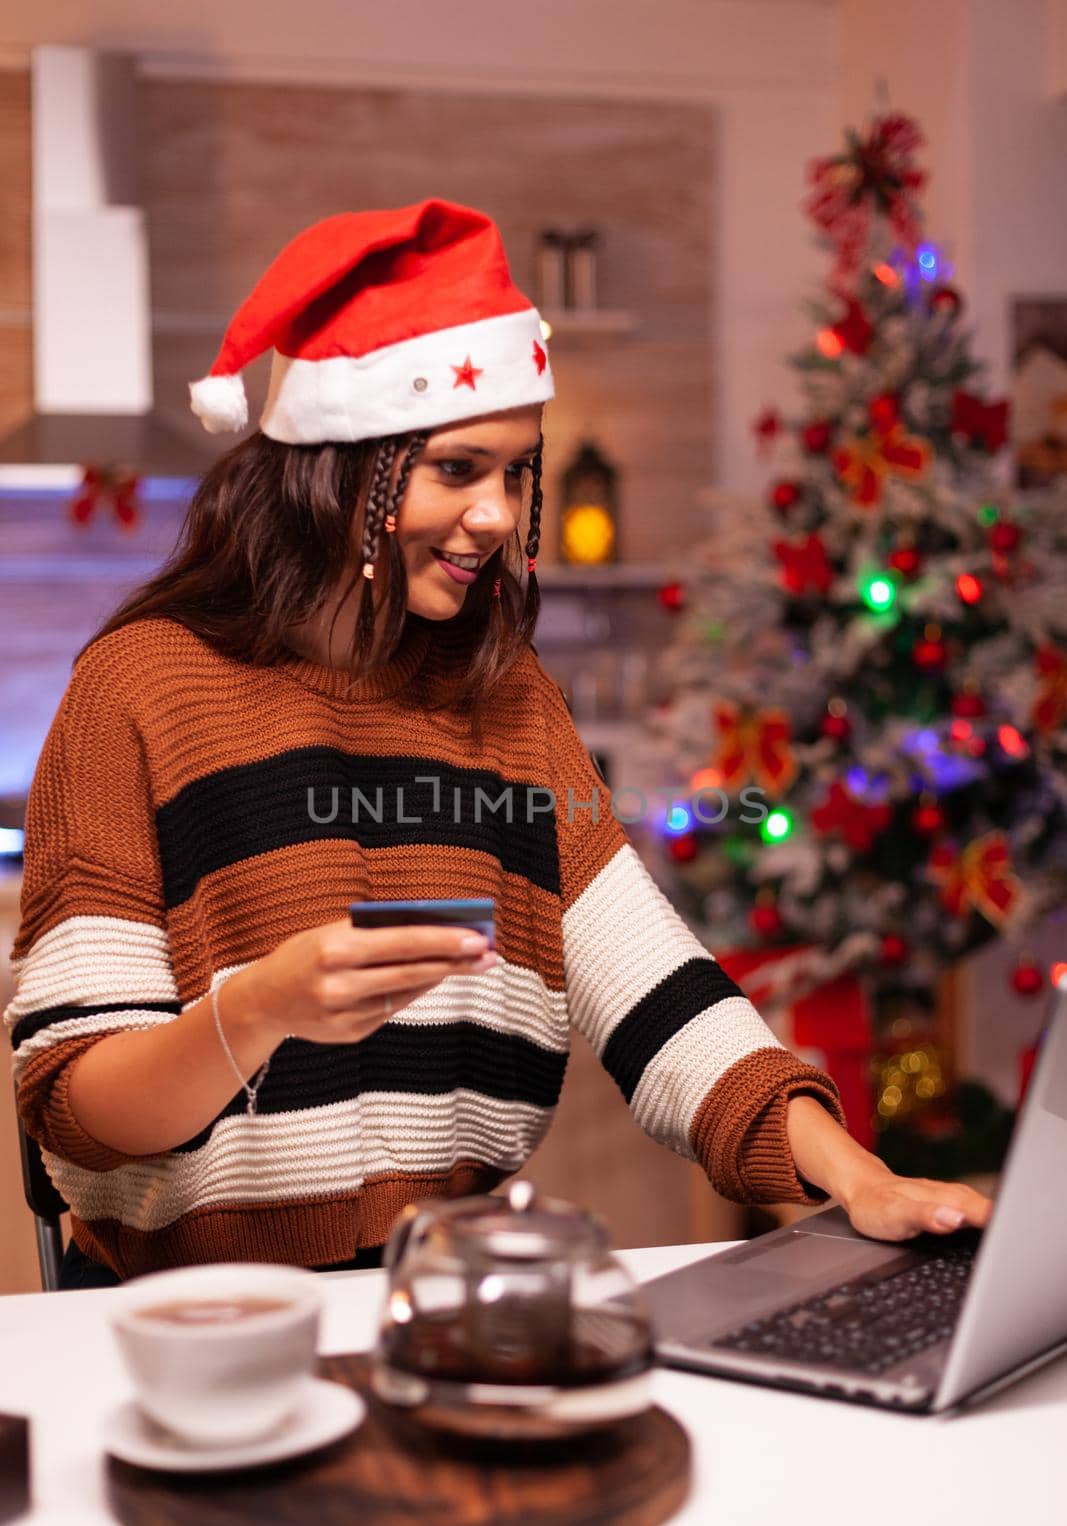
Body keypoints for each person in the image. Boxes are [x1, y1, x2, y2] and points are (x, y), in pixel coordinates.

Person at [5, 199, 991, 1289]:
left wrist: (857, 1177)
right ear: (338, 465)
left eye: (514, 473)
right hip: (188, 1318)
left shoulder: (506, 697)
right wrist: (255, 1012)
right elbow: (76, 1098)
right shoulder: (138, 685)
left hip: (440, 1294)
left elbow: (654, 990)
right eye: (457, 469)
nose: (494, 513)